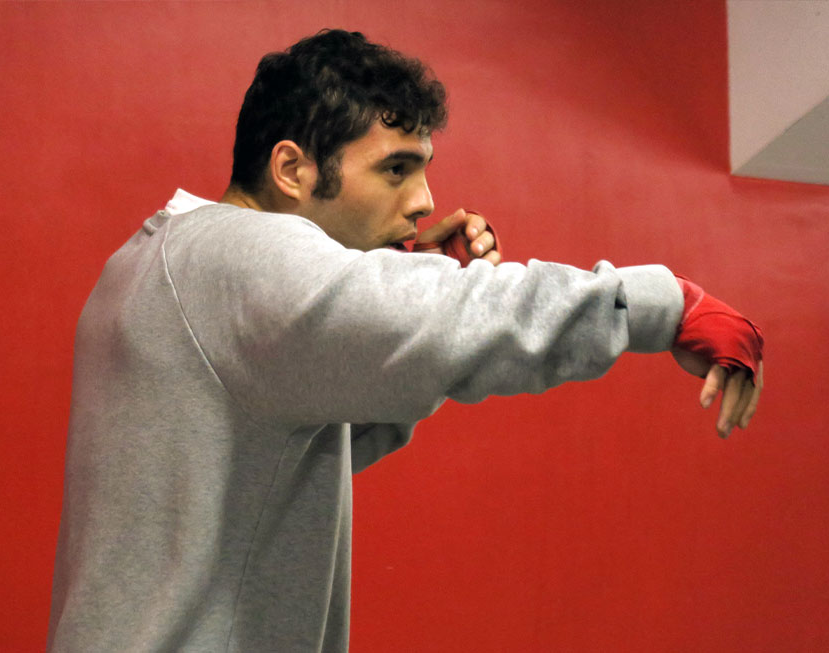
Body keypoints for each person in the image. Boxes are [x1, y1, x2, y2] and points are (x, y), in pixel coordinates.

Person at [47, 29, 763, 652]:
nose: (422, 200)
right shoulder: (238, 255)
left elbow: (302, 453)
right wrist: (663, 304)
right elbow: (443, 318)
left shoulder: (159, 260)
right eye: (395, 168)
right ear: (292, 169)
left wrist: (404, 298)